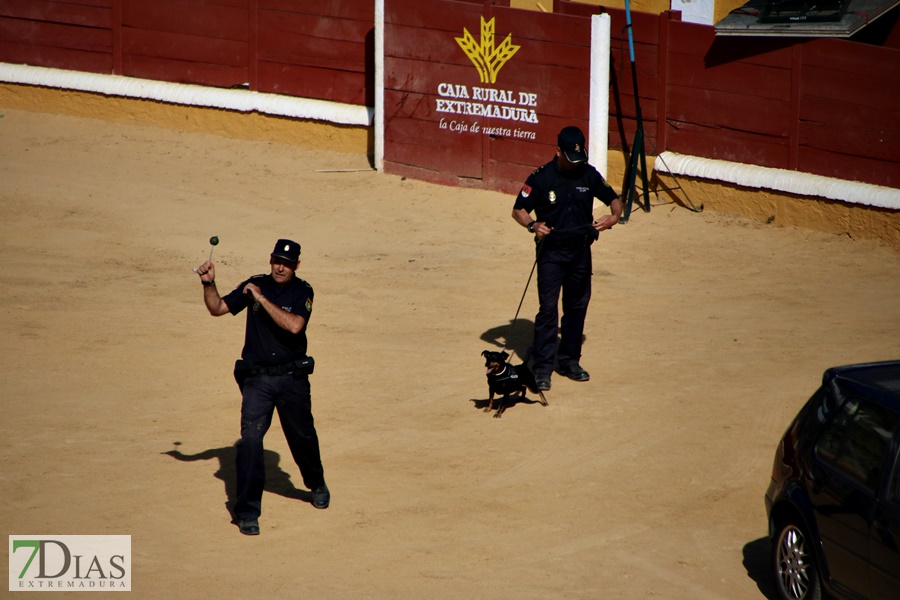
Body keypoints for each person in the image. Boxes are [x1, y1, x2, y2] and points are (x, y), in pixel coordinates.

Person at [196, 238, 329, 536]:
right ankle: (247, 512)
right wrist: (208, 284)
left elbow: (295, 325)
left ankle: (316, 483)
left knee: (302, 437)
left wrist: (261, 300)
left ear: (296, 265)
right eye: (276, 261)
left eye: (287, 263)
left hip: (292, 379)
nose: (280, 267)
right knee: (251, 441)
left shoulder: (302, 291)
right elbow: (217, 308)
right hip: (258, 380)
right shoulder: (254, 284)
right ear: (270, 260)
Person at [511, 126, 623, 391]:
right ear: (558, 151)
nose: (576, 165)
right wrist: (533, 226)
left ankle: (570, 361)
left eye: (579, 158)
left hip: (581, 252)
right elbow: (518, 210)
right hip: (552, 253)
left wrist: (614, 217)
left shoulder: (588, 173)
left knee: (576, 307)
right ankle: (542, 368)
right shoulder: (541, 177)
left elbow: (614, 199)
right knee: (548, 310)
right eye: (570, 159)